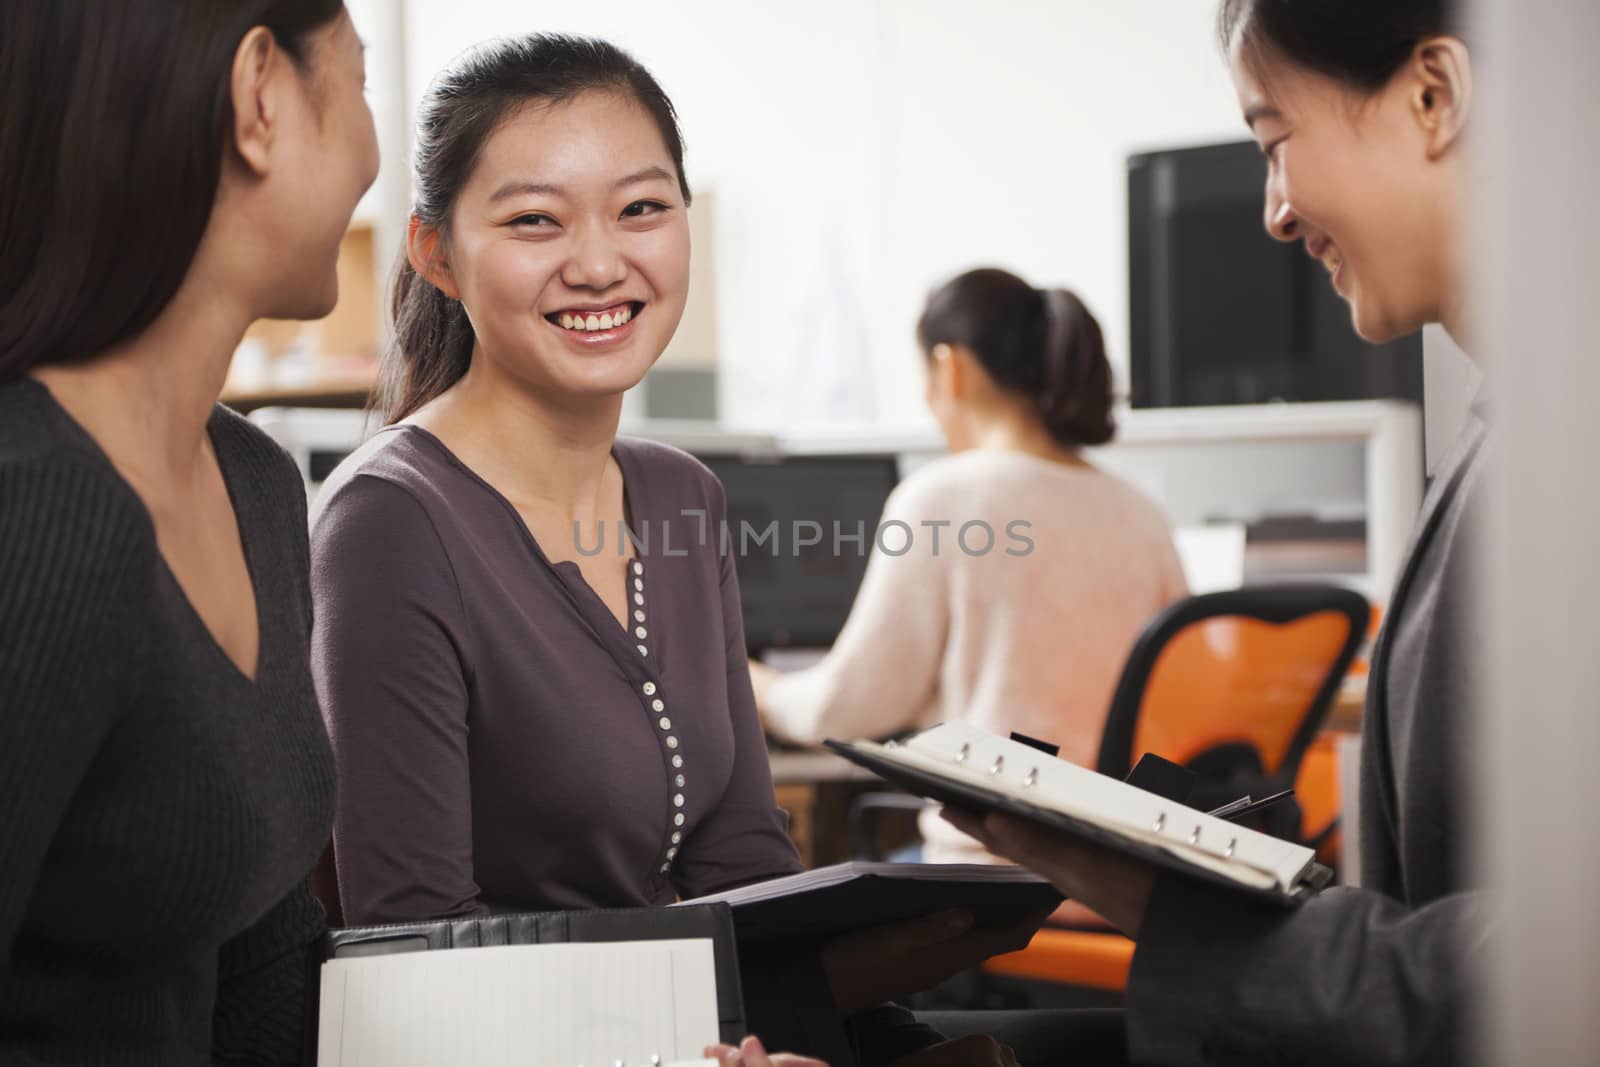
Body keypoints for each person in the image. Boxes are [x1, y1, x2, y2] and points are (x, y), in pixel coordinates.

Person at [309, 33, 1035, 1066]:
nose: (600, 261)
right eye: (533, 220)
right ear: (436, 254)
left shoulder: (679, 495)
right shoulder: (388, 522)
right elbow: (416, 948)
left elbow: (738, 853)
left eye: (641, 207)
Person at [947, 1, 1491, 1064]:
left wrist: (1178, 900)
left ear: (1433, 96)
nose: (1275, 212)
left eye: (1274, 141)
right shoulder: (1498, 437)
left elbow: (1528, 967)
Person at [0, 2, 378, 1063]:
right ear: (260, 95)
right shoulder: (34, 513)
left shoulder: (256, 485)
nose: (371, 152)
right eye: (358, 85)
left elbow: (259, 967)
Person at [752, 268, 1188, 866]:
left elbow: (848, 709)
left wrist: (756, 686)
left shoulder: (945, 498)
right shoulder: (1144, 516)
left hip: (999, 876)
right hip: (1133, 876)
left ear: (948, 367)